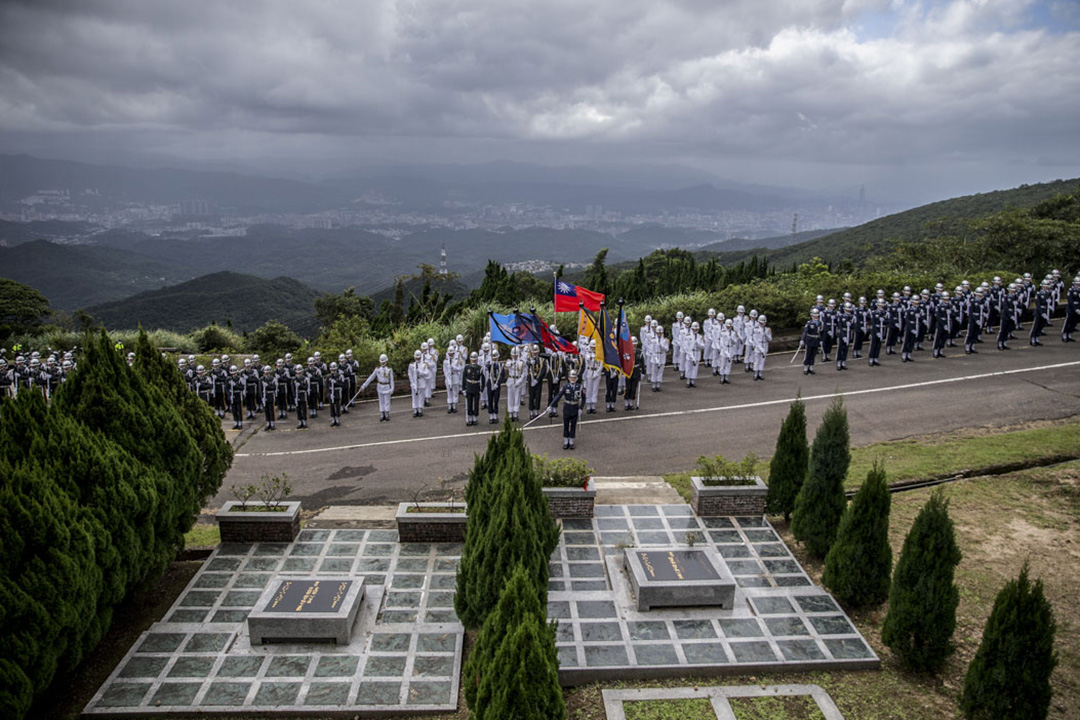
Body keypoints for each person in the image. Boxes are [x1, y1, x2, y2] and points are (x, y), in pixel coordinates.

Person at [548, 368, 585, 450]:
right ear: (568, 378)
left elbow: (584, 398)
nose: (573, 379)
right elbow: (558, 396)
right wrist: (551, 405)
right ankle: (565, 440)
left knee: (573, 425)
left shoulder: (579, 387)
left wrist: (581, 408)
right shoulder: (565, 387)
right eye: (571, 377)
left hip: (575, 407)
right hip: (567, 408)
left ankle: (571, 441)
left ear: (577, 378)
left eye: (574, 377)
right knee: (566, 425)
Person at [359, 354, 395, 422]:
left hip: (387, 386)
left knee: (387, 401)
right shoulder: (377, 370)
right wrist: (364, 385)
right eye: (381, 361)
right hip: (380, 386)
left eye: (384, 361)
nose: (383, 363)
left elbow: (391, 380)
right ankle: (382, 414)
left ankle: (387, 414)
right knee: (381, 401)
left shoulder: (389, 370)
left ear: (386, 361)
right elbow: (371, 378)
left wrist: (392, 388)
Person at [526, 344, 548, 420]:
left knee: (538, 395)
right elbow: (526, 364)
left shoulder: (542, 360)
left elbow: (543, 370)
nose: (535, 353)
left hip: (538, 380)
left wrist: (537, 379)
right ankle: (531, 411)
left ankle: (536, 410)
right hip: (531, 379)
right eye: (533, 351)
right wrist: (529, 363)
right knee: (531, 396)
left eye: (536, 351)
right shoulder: (529, 358)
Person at [485, 346, 506, 424]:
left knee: (496, 400)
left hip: (497, 384)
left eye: (496, 357)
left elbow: (503, 375)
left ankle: (496, 415)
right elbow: (485, 368)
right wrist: (489, 365)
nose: (495, 358)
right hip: (490, 384)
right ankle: (491, 415)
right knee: (490, 400)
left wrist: (498, 383)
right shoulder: (489, 364)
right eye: (493, 357)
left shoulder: (500, 365)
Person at [463, 351, 483, 426]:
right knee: (469, 403)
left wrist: (482, 389)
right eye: (472, 359)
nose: (474, 360)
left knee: (476, 403)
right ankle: (470, 417)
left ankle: (475, 418)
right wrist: (464, 389)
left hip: (476, 387)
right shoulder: (467, 367)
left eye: (475, 359)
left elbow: (482, 379)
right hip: (469, 387)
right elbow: (463, 378)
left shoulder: (479, 368)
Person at [800, 308, 823, 375]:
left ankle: (811, 367)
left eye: (816, 316)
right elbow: (805, 332)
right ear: (812, 316)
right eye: (814, 316)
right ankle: (805, 367)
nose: (815, 317)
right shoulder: (809, 323)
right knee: (808, 354)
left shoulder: (819, 323)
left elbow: (820, 333)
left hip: (816, 341)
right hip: (810, 340)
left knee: (813, 355)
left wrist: (821, 340)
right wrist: (802, 339)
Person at [505, 346, 525, 421]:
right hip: (510, 380)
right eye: (513, 355)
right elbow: (507, 365)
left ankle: (515, 413)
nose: (515, 356)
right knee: (510, 398)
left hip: (517, 380)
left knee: (517, 398)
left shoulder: (521, 363)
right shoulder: (509, 362)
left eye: (516, 355)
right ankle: (510, 414)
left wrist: (519, 381)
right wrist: (512, 363)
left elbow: (523, 374)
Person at [408, 349, 430, 417]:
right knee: (414, 397)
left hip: (422, 382)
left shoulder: (424, 365)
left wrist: (420, 372)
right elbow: (410, 375)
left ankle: (420, 410)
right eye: (416, 358)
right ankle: (415, 410)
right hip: (414, 383)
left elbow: (427, 373)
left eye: (419, 357)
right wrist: (412, 383)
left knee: (421, 397)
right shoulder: (411, 366)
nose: (418, 359)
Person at [750, 315, 772, 380]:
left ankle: (760, 374)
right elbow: (755, 340)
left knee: (762, 361)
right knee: (757, 361)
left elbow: (770, 339)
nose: (762, 323)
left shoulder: (767, 329)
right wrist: (760, 348)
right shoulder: (755, 329)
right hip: (758, 347)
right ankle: (755, 374)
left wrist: (766, 335)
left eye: (763, 322)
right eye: (760, 322)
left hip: (764, 346)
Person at [443, 345, 463, 414]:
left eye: (452, 353)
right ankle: (449, 406)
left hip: (455, 377)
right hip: (448, 378)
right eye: (450, 353)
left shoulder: (457, 360)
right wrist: (448, 379)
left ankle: (454, 406)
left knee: (455, 393)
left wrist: (454, 368)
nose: (451, 354)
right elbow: (444, 371)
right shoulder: (445, 362)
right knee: (449, 393)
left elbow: (460, 369)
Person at [716, 318, 735, 384]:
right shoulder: (723, 332)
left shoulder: (733, 333)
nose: (728, 327)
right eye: (727, 325)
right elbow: (721, 342)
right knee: (722, 364)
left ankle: (726, 377)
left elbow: (734, 342)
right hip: (724, 350)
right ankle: (722, 378)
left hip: (730, 349)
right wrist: (726, 352)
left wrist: (731, 339)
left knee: (728, 365)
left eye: (730, 326)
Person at [326, 361, 345, 427]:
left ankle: (337, 419)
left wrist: (336, 382)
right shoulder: (328, 376)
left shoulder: (340, 376)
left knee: (337, 406)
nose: (333, 370)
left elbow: (342, 385)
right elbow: (327, 386)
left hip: (337, 392)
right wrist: (328, 393)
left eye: (334, 369)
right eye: (332, 369)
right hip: (331, 392)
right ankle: (333, 419)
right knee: (331, 406)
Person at [260, 365, 278, 431]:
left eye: (267, 371)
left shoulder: (272, 378)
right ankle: (268, 423)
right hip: (265, 396)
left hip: (270, 395)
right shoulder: (262, 379)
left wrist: (268, 386)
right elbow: (260, 389)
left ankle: (272, 423)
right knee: (266, 410)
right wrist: (261, 396)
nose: (266, 373)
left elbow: (274, 387)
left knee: (271, 410)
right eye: (265, 371)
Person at [227, 365, 245, 430]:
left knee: (239, 410)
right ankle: (235, 422)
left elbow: (242, 387)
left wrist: (235, 385)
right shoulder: (228, 379)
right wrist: (229, 396)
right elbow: (227, 388)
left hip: (238, 395)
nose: (233, 374)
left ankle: (240, 423)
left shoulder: (240, 379)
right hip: (232, 395)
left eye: (234, 373)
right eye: (232, 373)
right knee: (234, 410)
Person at [1063, 275, 1080, 342]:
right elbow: (1070, 300)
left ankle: (1069, 334)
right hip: (1071, 309)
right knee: (1068, 321)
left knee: (1074, 322)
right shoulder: (1071, 290)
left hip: (1078, 308)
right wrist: (1075, 309)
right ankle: (1064, 334)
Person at [294, 365, 311, 429]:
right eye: (297, 372)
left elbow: (306, 387)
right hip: (297, 395)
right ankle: (299, 422)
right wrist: (294, 396)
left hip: (303, 395)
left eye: (300, 372)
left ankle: (304, 422)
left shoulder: (305, 378)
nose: (299, 373)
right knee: (298, 410)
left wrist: (300, 385)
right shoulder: (294, 379)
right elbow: (293, 388)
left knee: (304, 409)